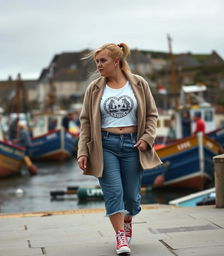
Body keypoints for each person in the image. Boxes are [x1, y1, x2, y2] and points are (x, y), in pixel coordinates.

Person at [77, 43, 162, 255]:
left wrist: (147, 138)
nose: (99, 65)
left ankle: (128, 218)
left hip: (134, 145)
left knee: (132, 198)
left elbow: (151, 115)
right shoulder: (94, 88)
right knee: (114, 192)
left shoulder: (139, 84)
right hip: (105, 146)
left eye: (102, 61)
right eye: (97, 61)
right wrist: (83, 151)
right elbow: (86, 122)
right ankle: (120, 237)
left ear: (117, 61)